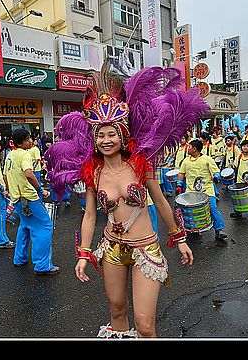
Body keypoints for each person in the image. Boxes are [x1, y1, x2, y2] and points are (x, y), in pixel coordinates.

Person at [45, 64, 206, 338]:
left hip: (145, 249)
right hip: (112, 249)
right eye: (100, 135)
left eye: (111, 134)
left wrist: (179, 239)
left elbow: (161, 202)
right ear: (94, 139)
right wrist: (84, 253)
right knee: (117, 312)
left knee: (145, 324)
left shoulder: (141, 164)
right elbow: (90, 216)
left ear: (122, 136)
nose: (106, 140)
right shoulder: (93, 172)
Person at [4, 128, 58, 275]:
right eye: (28, 139)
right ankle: (42, 266)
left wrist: (9, 191)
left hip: (17, 198)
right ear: (21, 142)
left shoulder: (10, 155)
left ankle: (20, 259)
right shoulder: (25, 154)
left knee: (26, 225)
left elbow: (5, 175)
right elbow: (29, 174)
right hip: (29, 197)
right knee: (45, 226)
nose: (31, 141)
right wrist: (40, 189)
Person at [175, 139, 228, 242]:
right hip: (191, 192)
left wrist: (217, 176)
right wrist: (179, 185)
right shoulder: (186, 161)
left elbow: (216, 171)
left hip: (207, 190)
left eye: (189, 147)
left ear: (194, 149)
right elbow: (181, 173)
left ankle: (219, 230)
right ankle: (194, 229)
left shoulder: (207, 159)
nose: (187, 148)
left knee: (212, 208)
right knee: (192, 212)